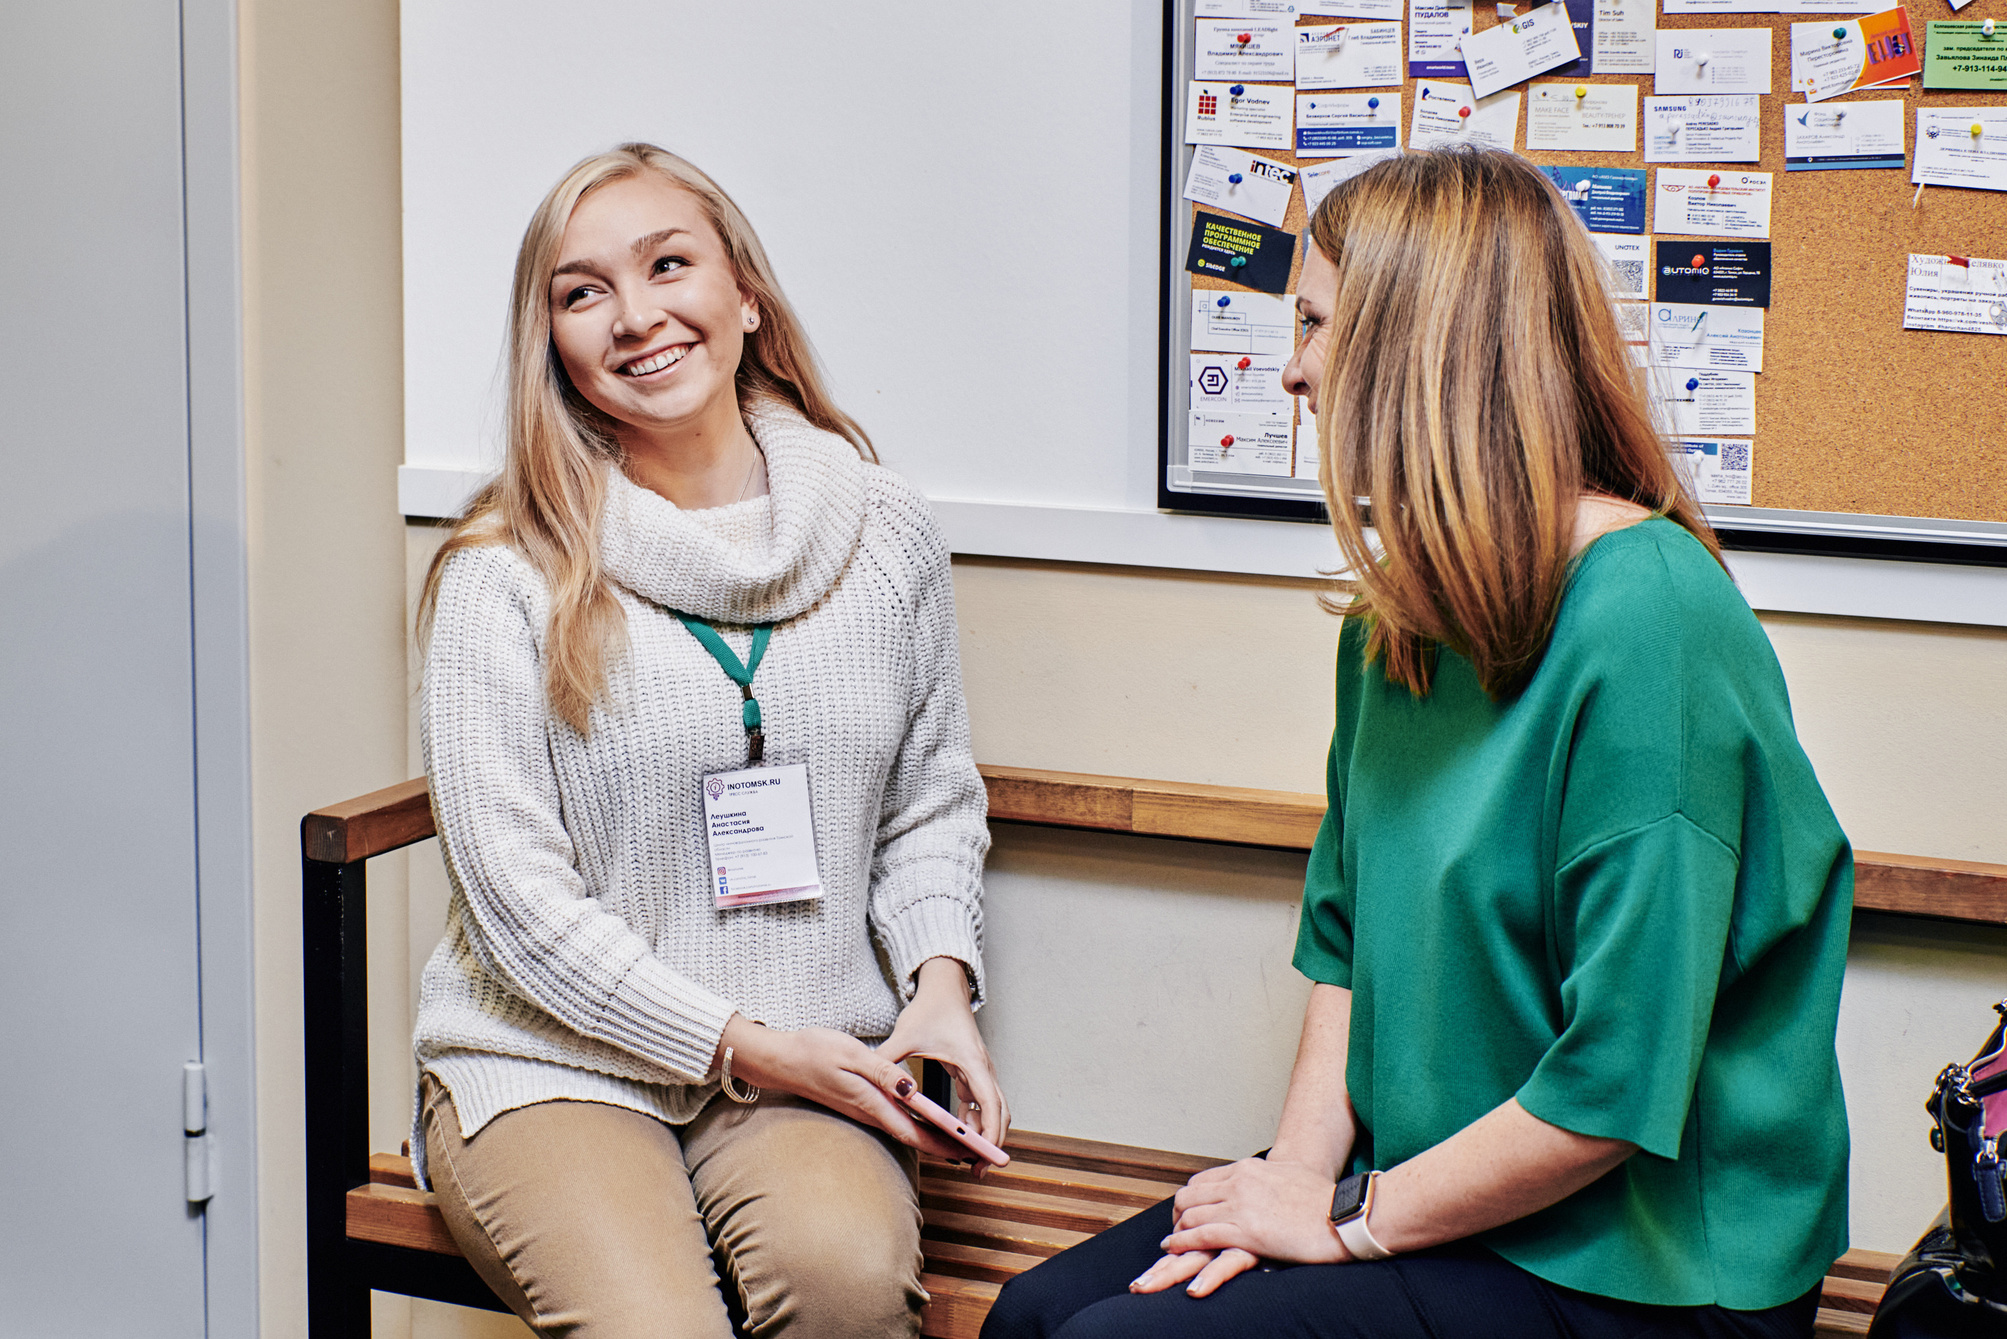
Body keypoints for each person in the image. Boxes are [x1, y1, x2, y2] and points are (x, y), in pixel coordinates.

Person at [982, 148, 1851, 1339]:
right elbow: (1348, 949)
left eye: (1315, 324)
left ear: (1420, 348)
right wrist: (1294, 1176)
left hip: (1645, 1260)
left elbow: (1615, 1086)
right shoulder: (1399, 623)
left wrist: (1345, 1225)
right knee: (1032, 1317)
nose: (1290, 371)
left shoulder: (1650, 614)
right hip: (1432, 1187)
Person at [411, 142, 1008, 1339]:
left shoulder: (884, 531)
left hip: (813, 1052)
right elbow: (521, 907)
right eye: (583, 294)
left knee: (844, 1290)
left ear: (745, 295)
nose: (636, 317)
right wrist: (744, 1045)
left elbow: (931, 797)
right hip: (551, 1063)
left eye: (667, 264)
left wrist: (941, 985)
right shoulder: (501, 572)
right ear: (555, 350)